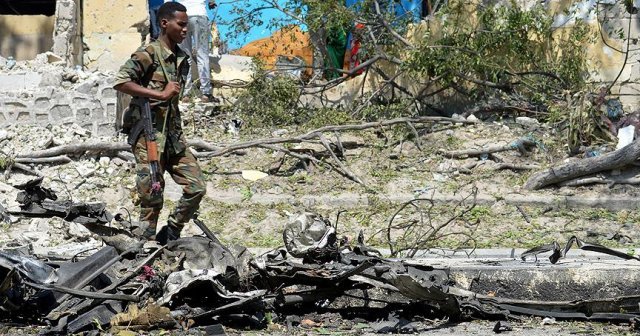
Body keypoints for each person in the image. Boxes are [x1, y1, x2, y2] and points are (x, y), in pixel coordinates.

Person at [113, 2, 206, 245]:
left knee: (196, 186)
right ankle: (145, 245)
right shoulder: (149, 53)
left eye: (186, 25)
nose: (186, 30)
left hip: (173, 136)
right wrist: (160, 95)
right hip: (148, 135)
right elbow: (121, 81)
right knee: (152, 194)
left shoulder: (181, 58)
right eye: (181, 24)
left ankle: (172, 229)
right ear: (165, 23)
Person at [168, 0, 219, 103]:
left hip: (181, 17)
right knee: (202, 55)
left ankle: (185, 93)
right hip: (199, 15)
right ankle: (206, 93)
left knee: (184, 56)